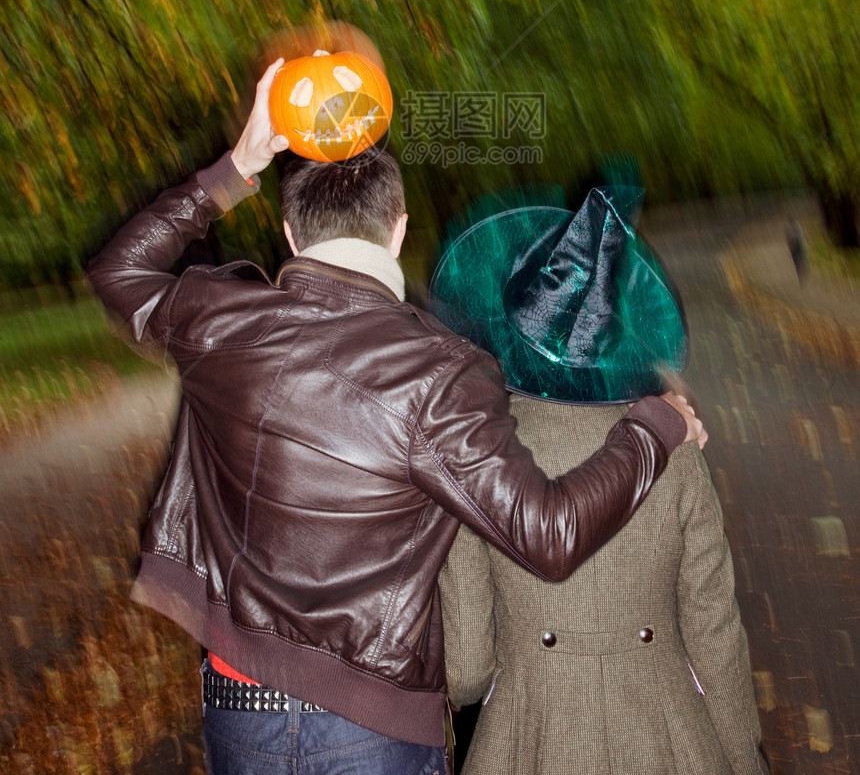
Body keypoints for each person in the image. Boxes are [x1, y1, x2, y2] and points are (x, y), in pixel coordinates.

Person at [88, 60, 705, 775]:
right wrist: (654, 427)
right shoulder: (443, 373)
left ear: (290, 233)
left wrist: (238, 164)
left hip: (238, 713)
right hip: (372, 732)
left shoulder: (216, 321)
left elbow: (118, 272)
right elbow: (550, 532)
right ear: (399, 230)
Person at [431, 187, 768, 775]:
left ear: (510, 330)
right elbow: (714, 635)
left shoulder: (481, 456)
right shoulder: (676, 447)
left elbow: (465, 668)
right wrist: (744, 757)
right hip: (665, 741)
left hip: (529, 741)